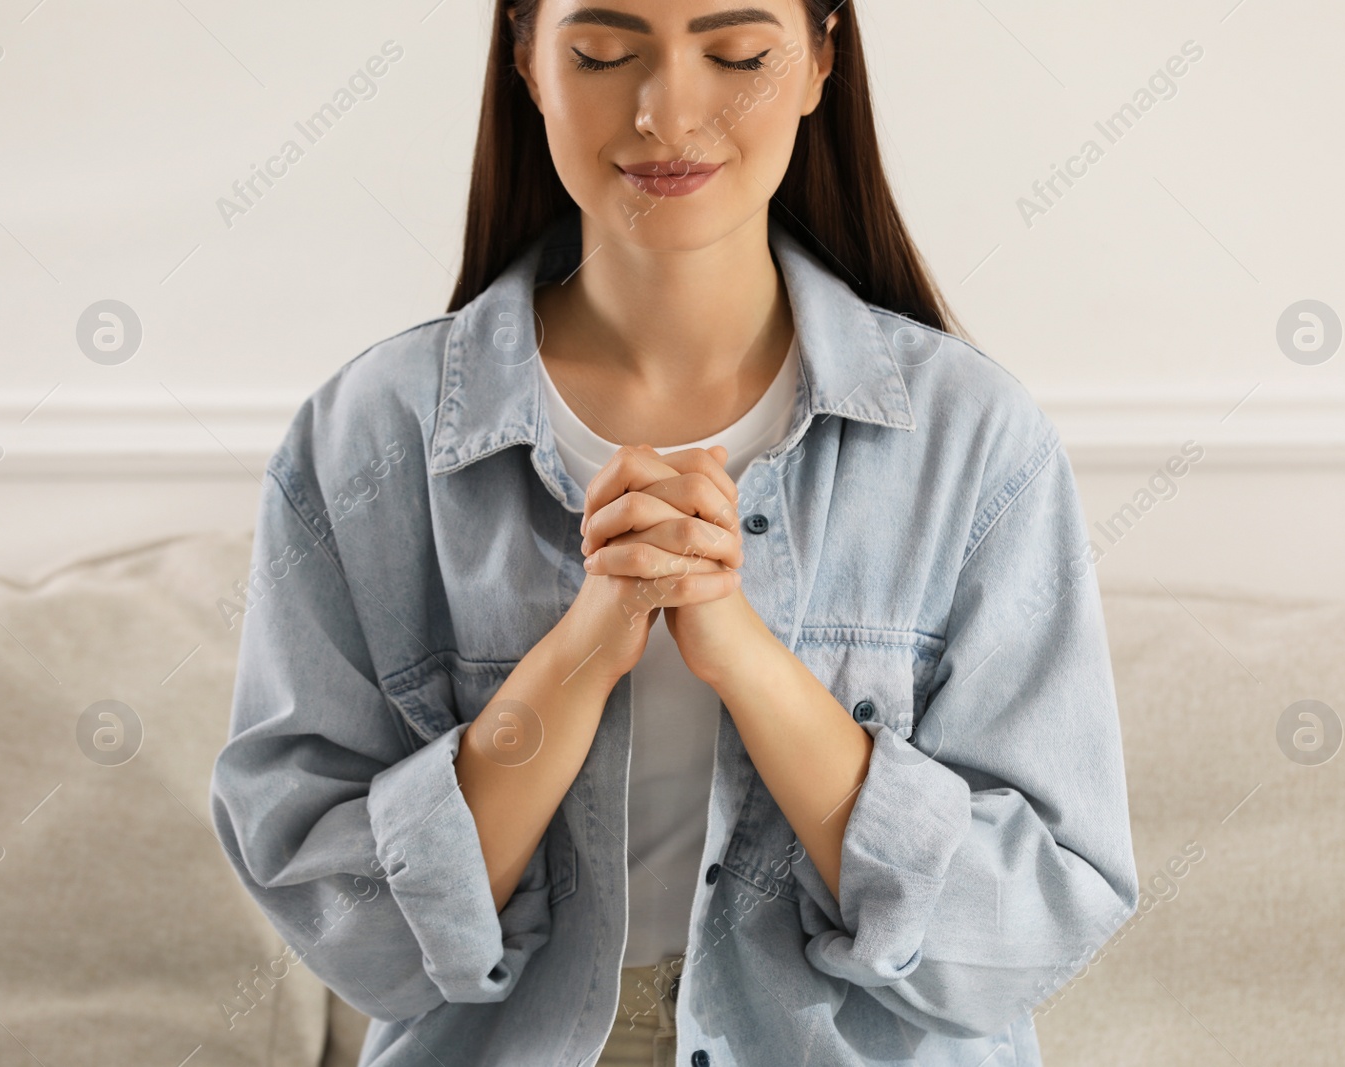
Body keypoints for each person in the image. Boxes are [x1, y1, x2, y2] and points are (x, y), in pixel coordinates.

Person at [209, 1, 1141, 1065]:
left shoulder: (975, 441)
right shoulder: (367, 435)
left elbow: (1028, 929)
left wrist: (746, 658)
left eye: (734, 52)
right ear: (524, 55)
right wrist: (580, 651)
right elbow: (342, 919)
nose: (665, 112)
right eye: (603, 53)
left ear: (820, 57)